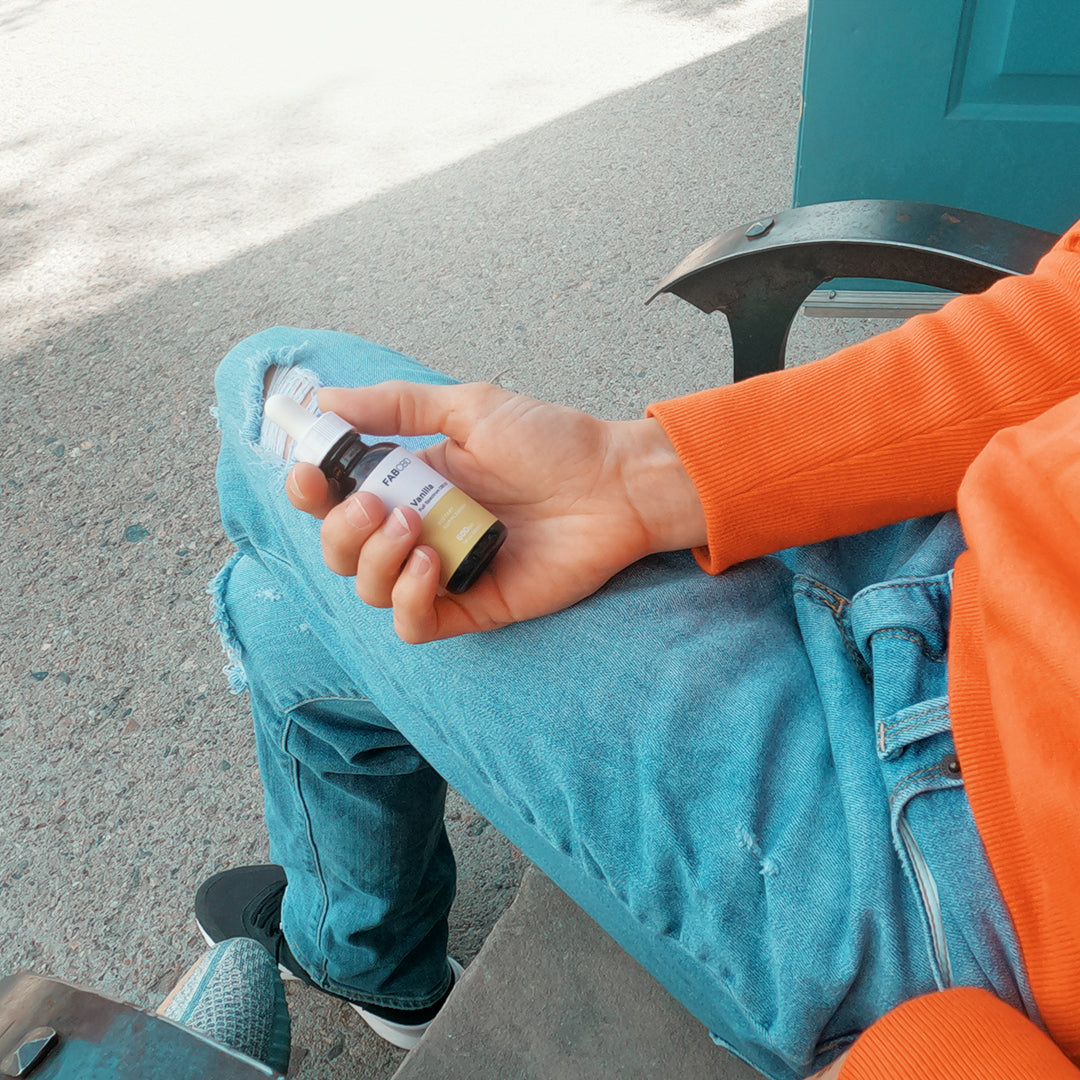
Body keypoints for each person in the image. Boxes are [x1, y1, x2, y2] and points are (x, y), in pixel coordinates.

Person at [196, 215, 1080, 1079]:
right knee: (289, 594)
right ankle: (364, 960)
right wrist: (649, 476)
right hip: (942, 560)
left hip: (947, 883)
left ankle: (364, 959)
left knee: (264, 391)